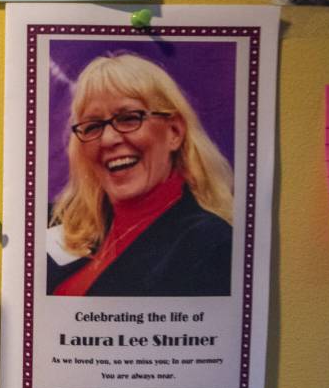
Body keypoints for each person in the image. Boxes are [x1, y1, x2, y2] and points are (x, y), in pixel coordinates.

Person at [46, 53, 234, 296]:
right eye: (93, 126)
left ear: (174, 132)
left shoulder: (210, 245)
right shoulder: (65, 226)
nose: (108, 139)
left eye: (128, 118)